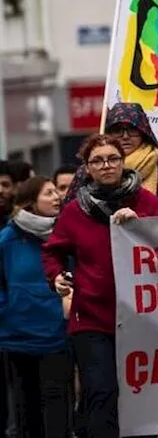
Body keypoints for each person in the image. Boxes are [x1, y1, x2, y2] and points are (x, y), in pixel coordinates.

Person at [43, 133, 158, 438]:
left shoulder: (146, 201)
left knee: (142, 394)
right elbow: (53, 250)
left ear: (122, 162)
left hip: (141, 315)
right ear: (87, 168)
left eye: (113, 158)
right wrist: (57, 277)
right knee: (101, 391)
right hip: (93, 318)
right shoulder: (75, 210)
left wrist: (141, 223)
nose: (106, 165)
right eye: (97, 161)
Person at [0, 176, 74, 438]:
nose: (57, 197)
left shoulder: (65, 234)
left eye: (57, 192)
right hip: (17, 337)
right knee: (25, 409)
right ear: (31, 202)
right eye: (48, 193)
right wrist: (7, 312)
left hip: (56, 335)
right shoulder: (7, 239)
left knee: (58, 408)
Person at [64, 102, 158, 214]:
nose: (125, 136)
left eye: (132, 129)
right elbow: (66, 215)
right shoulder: (87, 170)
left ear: (143, 132)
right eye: (118, 130)